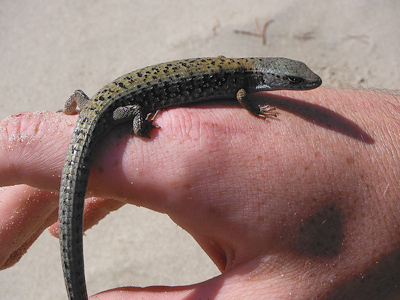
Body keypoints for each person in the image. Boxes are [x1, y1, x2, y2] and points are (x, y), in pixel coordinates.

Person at [0, 88, 399, 299]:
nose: (305, 87)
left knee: (83, 103)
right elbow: (242, 98)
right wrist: (141, 127)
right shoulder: (245, 89)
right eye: (296, 84)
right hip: (110, 113)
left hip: (98, 107)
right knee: (132, 121)